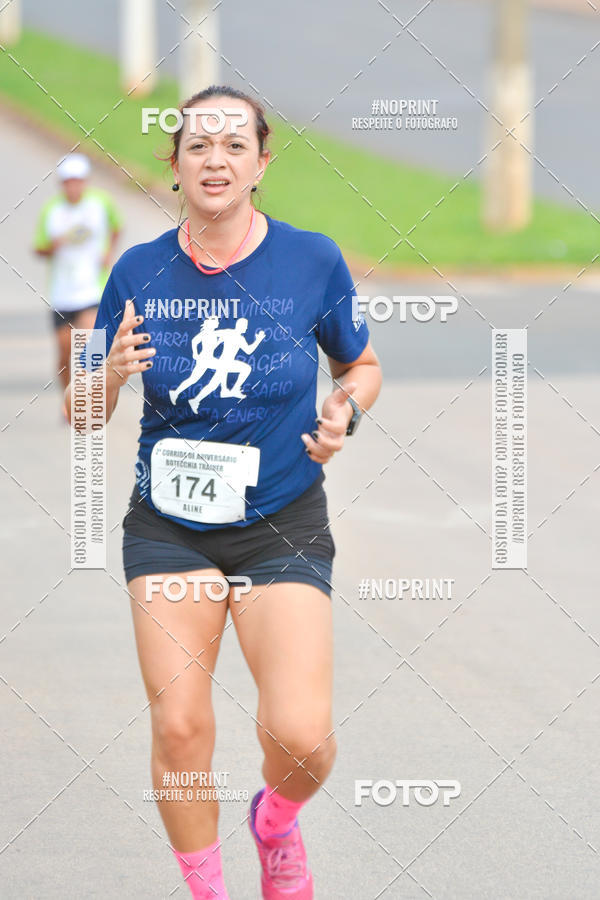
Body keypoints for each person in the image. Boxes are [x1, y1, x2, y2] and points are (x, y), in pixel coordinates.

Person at [65, 85, 382, 899]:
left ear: (259, 165)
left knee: (304, 739)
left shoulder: (312, 260)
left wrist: (343, 407)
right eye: (198, 145)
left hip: (281, 521)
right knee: (179, 725)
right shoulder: (137, 270)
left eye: (234, 145)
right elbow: (80, 408)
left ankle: (274, 824)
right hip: (169, 529)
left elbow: (361, 365)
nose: (216, 159)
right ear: (174, 165)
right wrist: (109, 376)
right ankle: (208, 889)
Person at [34, 152, 122, 408]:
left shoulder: (101, 203)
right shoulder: (51, 211)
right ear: (62, 184)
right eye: (68, 181)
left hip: (92, 290)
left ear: (85, 181)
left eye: (78, 180)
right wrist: (53, 246)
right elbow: (39, 248)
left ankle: (90, 403)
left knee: (91, 348)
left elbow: (117, 225)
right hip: (63, 294)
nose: (73, 186)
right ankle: (68, 403)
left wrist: (108, 251)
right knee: (65, 355)